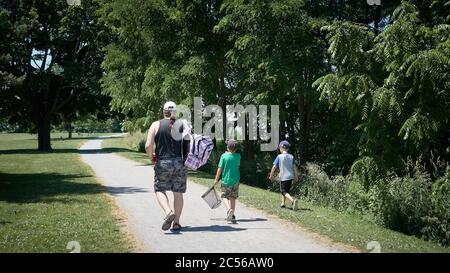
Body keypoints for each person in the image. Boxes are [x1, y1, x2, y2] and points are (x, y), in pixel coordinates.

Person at [145, 101, 188, 232]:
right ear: (175, 112)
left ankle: (168, 211)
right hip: (179, 162)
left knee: (159, 189)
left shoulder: (155, 124)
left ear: (163, 111)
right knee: (178, 193)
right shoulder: (182, 125)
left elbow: (148, 145)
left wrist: (151, 156)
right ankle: (176, 223)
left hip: (162, 162)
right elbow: (187, 145)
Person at [214, 139, 241, 222]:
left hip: (226, 180)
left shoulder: (224, 156)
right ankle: (232, 215)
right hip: (236, 181)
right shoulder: (238, 156)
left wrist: (216, 179)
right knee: (232, 197)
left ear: (228, 147)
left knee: (224, 196)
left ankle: (229, 210)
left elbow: (220, 168)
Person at [269, 140, 299, 210]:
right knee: (286, 191)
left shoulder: (279, 156)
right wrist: (296, 176)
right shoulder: (291, 156)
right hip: (290, 177)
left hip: (283, 177)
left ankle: (293, 200)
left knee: (283, 191)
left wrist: (271, 175)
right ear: (288, 148)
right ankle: (283, 203)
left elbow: (274, 167)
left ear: (281, 148)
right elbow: (294, 167)